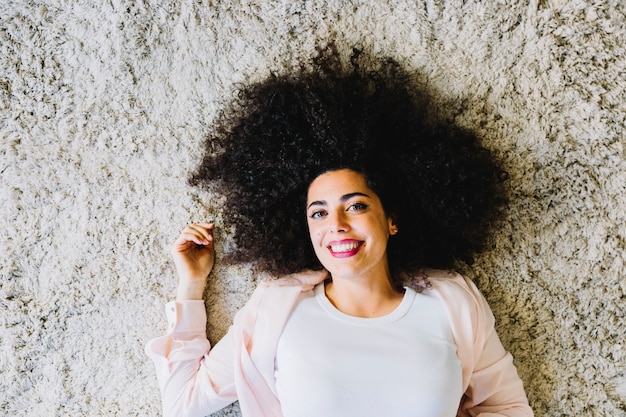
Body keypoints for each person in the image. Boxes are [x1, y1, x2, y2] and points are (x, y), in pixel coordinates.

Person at [146, 48, 533, 417]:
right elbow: (183, 403)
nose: (337, 225)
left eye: (357, 206)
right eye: (318, 213)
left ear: (392, 220)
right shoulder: (276, 310)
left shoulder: (453, 304)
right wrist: (191, 286)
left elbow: (507, 408)